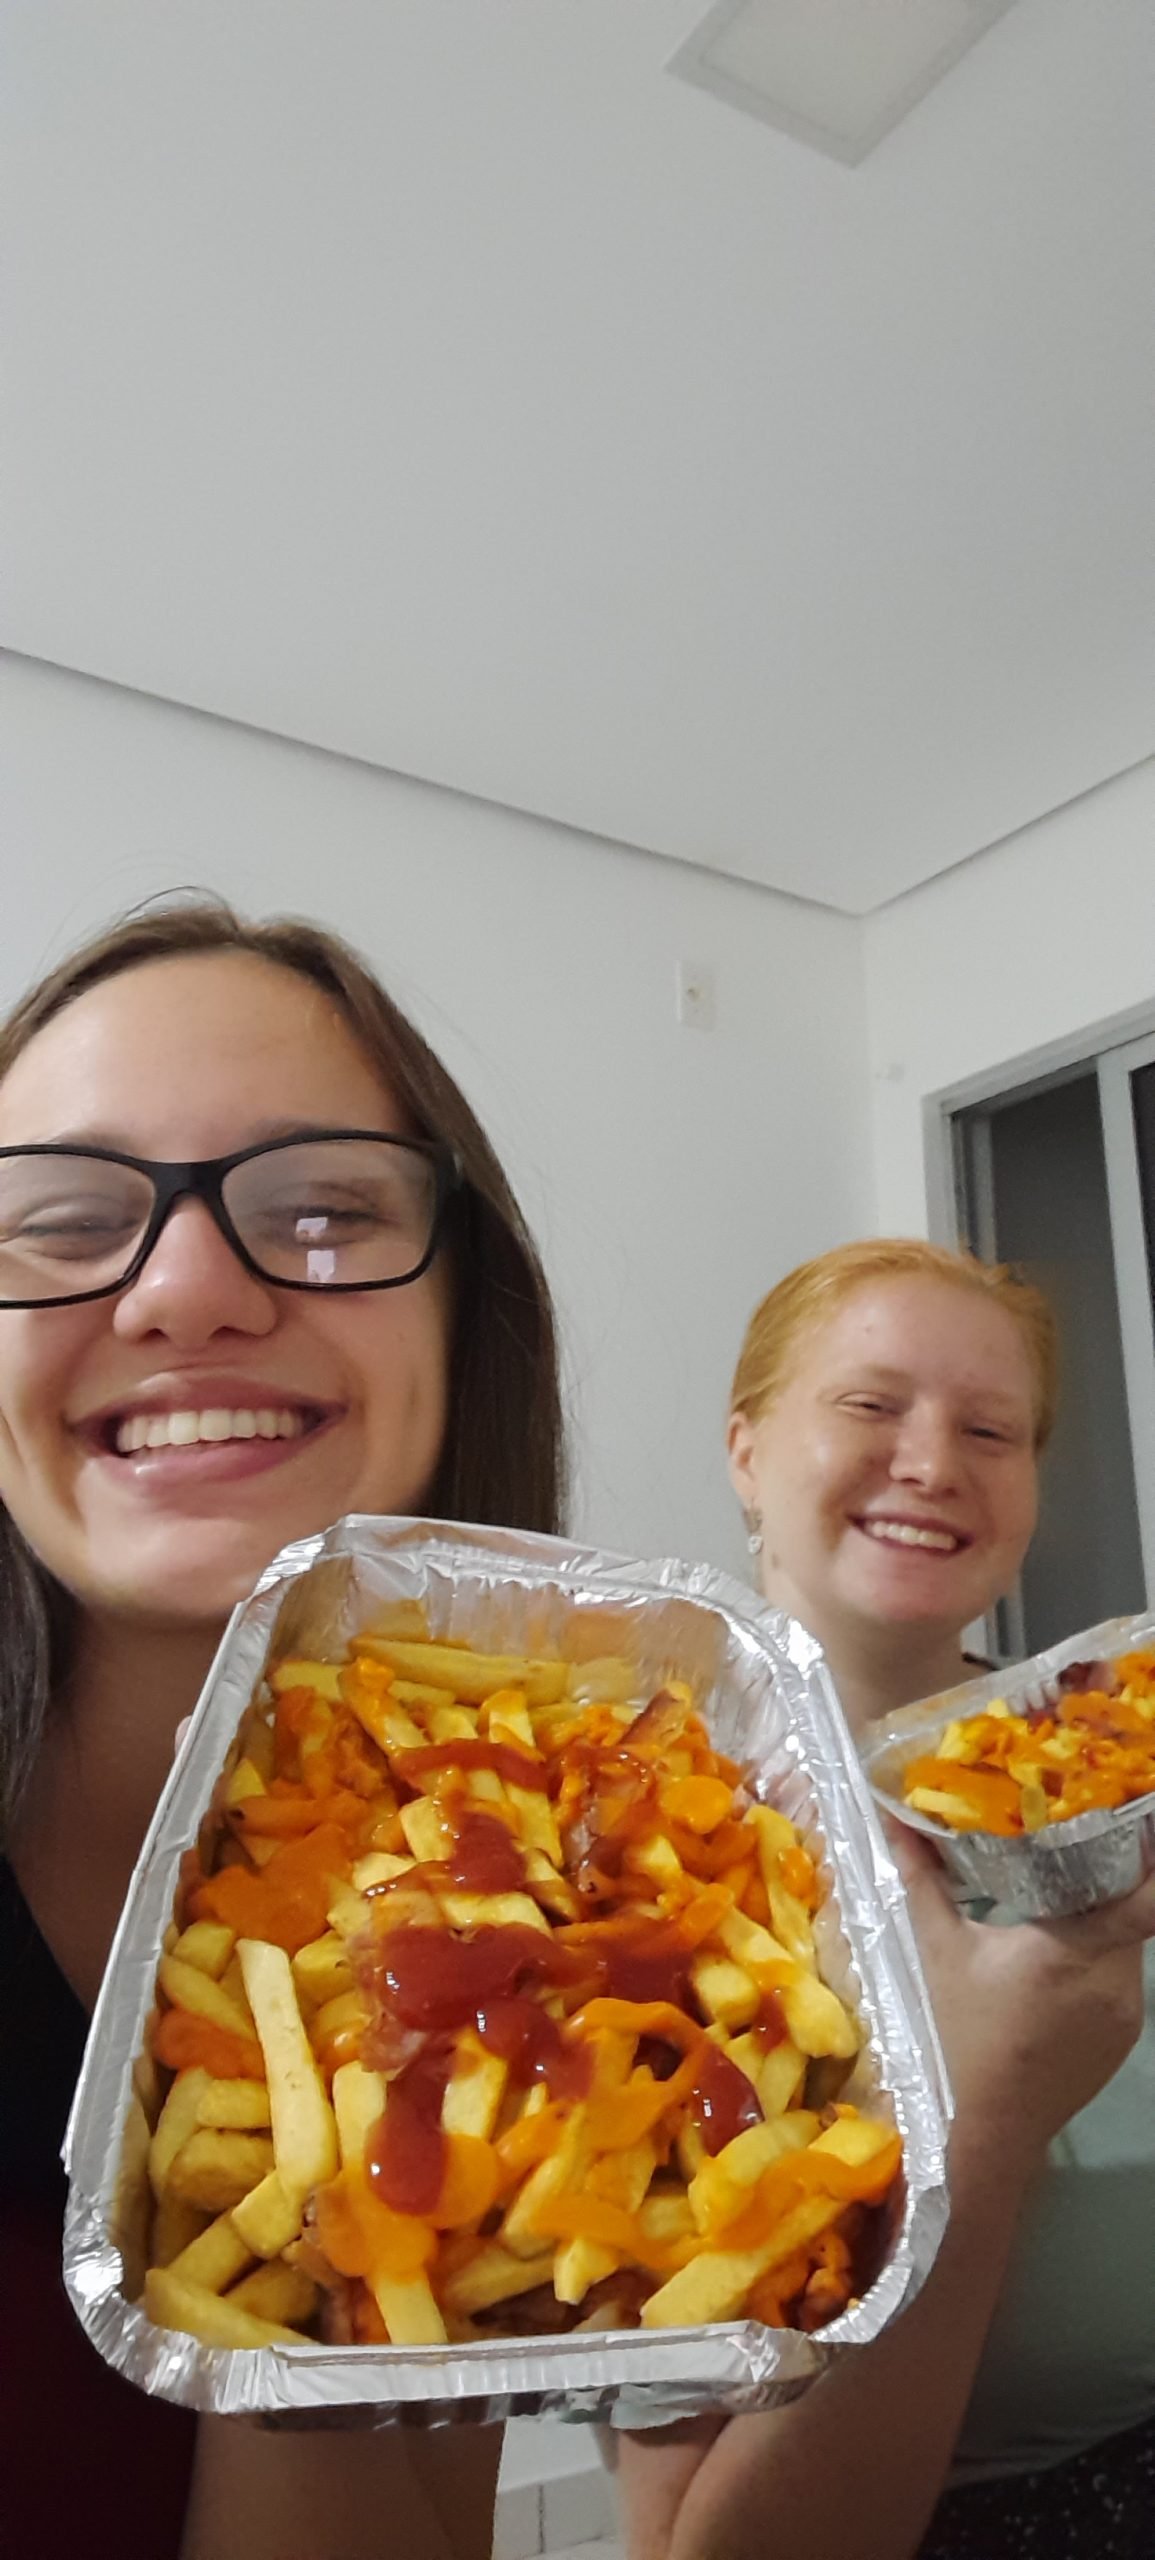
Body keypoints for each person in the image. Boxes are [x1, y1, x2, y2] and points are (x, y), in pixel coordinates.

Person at [0, 897, 566, 2560]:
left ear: (465, 1315)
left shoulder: (541, 1905)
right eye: (63, 1221)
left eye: (322, 1209)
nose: (185, 1292)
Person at [616, 1238, 1155, 2560]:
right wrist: (992, 2114)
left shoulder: (1121, 1759)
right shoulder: (629, 1863)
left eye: (992, 1430)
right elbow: (696, 2545)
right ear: (746, 1451)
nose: (933, 1463)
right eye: (871, 1404)